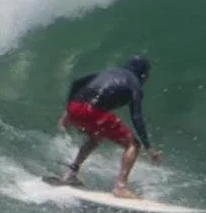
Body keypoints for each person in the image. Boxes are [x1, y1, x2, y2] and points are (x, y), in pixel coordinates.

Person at [54, 54, 162, 198]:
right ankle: (121, 187)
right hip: (94, 112)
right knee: (133, 144)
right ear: (143, 74)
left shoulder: (108, 72)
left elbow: (76, 83)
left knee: (96, 137)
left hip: (75, 107)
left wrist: (68, 111)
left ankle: (70, 174)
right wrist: (148, 147)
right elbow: (136, 117)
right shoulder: (135, 84)